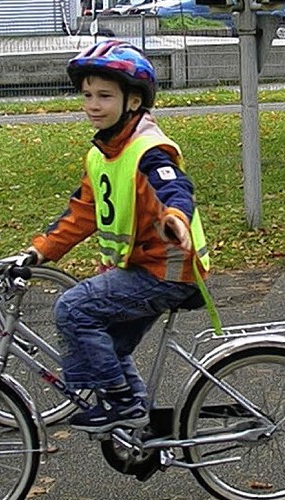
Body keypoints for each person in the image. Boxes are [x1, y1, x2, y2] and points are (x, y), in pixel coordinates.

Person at [28, 40, 207, 434]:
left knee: (73, 309)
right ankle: (138, 424)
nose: (93, 104)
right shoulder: (101, 154)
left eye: (105, 96)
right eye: (87, 94)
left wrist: (176, 216)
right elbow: (82, 213)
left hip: (166, 270)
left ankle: (123, 404)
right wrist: (39, 252)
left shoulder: (148, 150)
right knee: (108, 341)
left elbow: (173, 188)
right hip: (142, 267)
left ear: (132, 101)